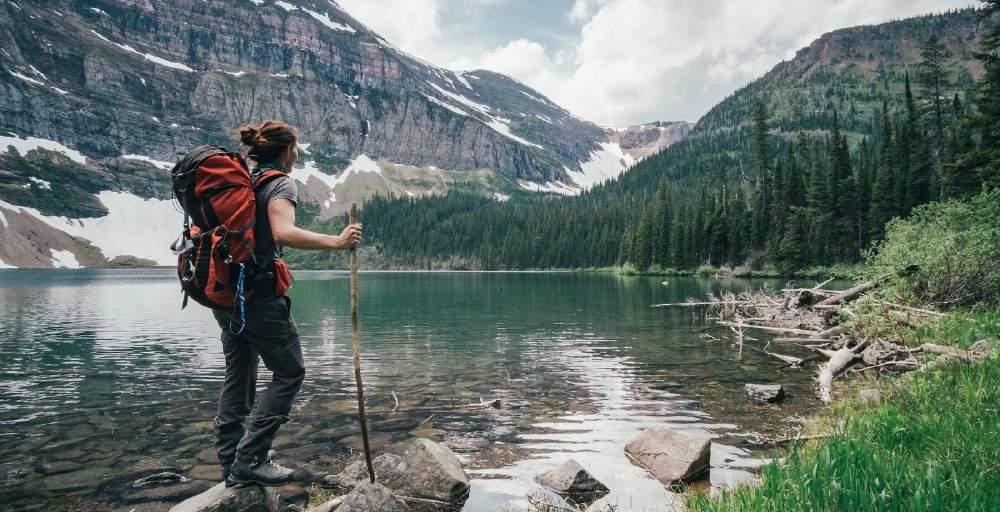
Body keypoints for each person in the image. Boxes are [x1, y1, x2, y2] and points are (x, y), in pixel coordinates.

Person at [213, 120, 363, 487]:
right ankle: (250, 458)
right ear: (286, 150)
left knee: (240, 374)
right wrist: (337, 242)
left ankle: (232, 459)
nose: (298, 155)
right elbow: (283, 232)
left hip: (226, 294)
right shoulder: (280, 182)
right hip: (260, 298)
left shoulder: (243, 183)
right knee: (290, 372)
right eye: (296, 148)